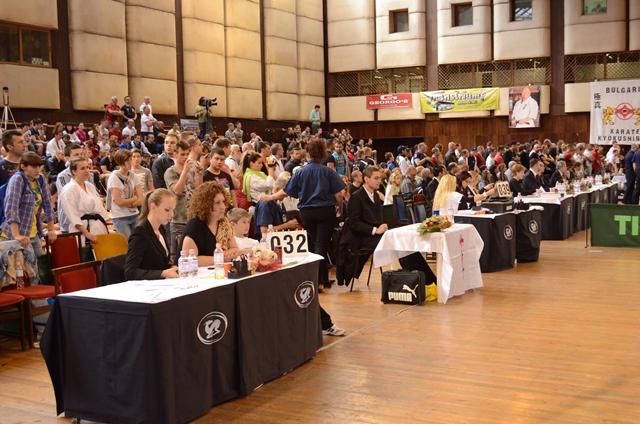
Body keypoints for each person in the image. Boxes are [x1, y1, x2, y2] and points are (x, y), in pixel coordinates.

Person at [269, 138, 345, 336]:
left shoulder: (300, 172)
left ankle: (316, 277)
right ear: (323, 154)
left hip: (307, 212)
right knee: (321, 246)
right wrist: (340, 208)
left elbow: (286, 192)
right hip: (325, 211)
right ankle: (318, 277)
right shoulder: (328, 171)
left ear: (308, 154)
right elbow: (339, 194)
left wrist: (270, 197)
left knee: (314, 244)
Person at [178, 182, 250, 266]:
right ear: (205, 205)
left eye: (223, 201)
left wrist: (229, 254)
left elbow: (234, 247)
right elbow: (189, 259)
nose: (223, 207)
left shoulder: (224, 222)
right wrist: (221, 258)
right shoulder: (195, 225)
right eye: (217, 203)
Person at [0, 152, 57, 258]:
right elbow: (11, 208)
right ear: (23, 166)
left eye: (39, 166)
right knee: (20, 267)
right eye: (34, 166)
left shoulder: (40, 179)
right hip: (14, 234)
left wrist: (51, 229)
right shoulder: (17, 179)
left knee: (40, 263)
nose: (38, 170)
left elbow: (48, 205)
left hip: (34, 233)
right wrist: (17, 235)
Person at [124, 189, 179, 281]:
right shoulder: (140, 233)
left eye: (173, 210)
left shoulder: (161, 229)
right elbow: (130, 272)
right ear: (153, 207)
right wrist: (163, 273)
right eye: (167, 210)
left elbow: (158, 263)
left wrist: (171, 267)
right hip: (146, 286)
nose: (171, 214)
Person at [165, 139, 203, 260]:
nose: (186, 157)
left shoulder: (190, 171)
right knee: (178, 254)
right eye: (182, 154)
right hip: (178, 218)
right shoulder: (170, 172)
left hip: (191, 216)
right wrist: (184, 172)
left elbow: (198, 190)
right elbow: (177, 190)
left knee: (192, 252)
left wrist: (200, 175)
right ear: (175, 154)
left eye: (187, 154)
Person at [59, 157, 110, 244]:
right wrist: (87, 234)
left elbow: (100, 208)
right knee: (85, 252)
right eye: (82, 168)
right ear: (73, 171)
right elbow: (73, 216)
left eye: (88, 167)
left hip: (98, 226)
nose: (87, 170)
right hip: (82, 231)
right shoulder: (69, 189)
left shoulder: (89, 185)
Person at [108, 149, 143, 240]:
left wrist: (129, 204)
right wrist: (134, 198)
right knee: (128, 243)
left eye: (131, 159)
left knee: (138, 242)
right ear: (121, 162)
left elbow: (141, 199)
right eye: (127, 160)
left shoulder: (134, 176)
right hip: (120, 216)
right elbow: (119, 202)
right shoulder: (114, 177)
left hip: (134, 214)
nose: (130, 162)